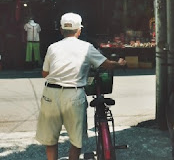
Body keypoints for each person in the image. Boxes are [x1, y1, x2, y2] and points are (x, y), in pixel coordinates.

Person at [35, 12, 127, 160]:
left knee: (50, 140)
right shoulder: (87, 47)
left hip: (50, 94)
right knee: (76, 141)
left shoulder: (53, 47)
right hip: (74, 95)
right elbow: (107, 64)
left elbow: (45, 73)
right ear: (79, 30)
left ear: (61, 30)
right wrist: (120, 63)